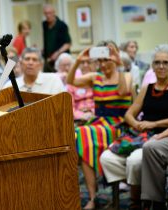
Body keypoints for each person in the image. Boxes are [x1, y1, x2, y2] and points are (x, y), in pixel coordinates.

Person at [100, 44, 168, 210]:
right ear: (152, 66)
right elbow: (129, 114)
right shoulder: (146, 88)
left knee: (135, 161)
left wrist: (154, 124)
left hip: (165, 136)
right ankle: (134, 193)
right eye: (157, 62)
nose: (161, 66)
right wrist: (137, 124)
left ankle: (137, 201)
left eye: (165, 62)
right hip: (142, 135)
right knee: (107, 157)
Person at [67, 41, 132, 210]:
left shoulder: (126, 75)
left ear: (115, 57)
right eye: (100, 60)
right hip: (98, 123)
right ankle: (93, 196)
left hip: (119, 124)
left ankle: (94, 196)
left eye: (106, 59)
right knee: (79, 136)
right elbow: (70, 80)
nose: (102, 64)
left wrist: (119, 65)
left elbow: (124, 92)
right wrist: (79, 60)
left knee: (82, 134)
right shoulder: (94, 77)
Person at [66, 54, 96, 122]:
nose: (85, 65)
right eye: (82, 62)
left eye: (89, 62)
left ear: (95, 64)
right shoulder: (73, 81)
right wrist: (80, 115)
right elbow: (69, 106)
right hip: (78, 118)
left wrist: (92, 112)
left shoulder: (99, 80)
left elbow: (102, 104)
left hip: (96, 116)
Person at [42, 4, 71, 73]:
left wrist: (57, 53)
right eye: (46, 13)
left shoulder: (62, 25)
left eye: (49, 13)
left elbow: (68, 44)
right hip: (49, 60)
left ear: (54, 13)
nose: (48, 15)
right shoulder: (44, 24)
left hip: (61, 59)